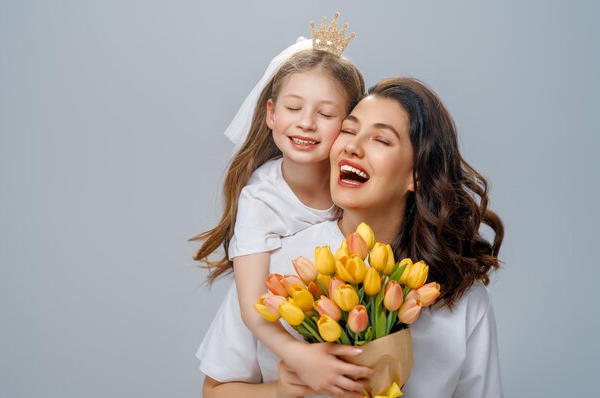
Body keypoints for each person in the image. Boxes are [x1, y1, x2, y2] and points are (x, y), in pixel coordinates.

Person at [197, 77, 505, 397]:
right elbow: (215, 390)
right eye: (348, 130)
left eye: (381, 140)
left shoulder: (462, 299)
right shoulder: (276, 268)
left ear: (417, 175)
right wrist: (281, 391)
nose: (353, 147)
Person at [191, 14, 371, 396]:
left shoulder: (359, 184)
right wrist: (300, 358)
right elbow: (253, 306)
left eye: (325, 114)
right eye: (293, 108)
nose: (306, 123)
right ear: (271, 113)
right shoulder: (260, 198)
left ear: (349, 124)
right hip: (283, 343)